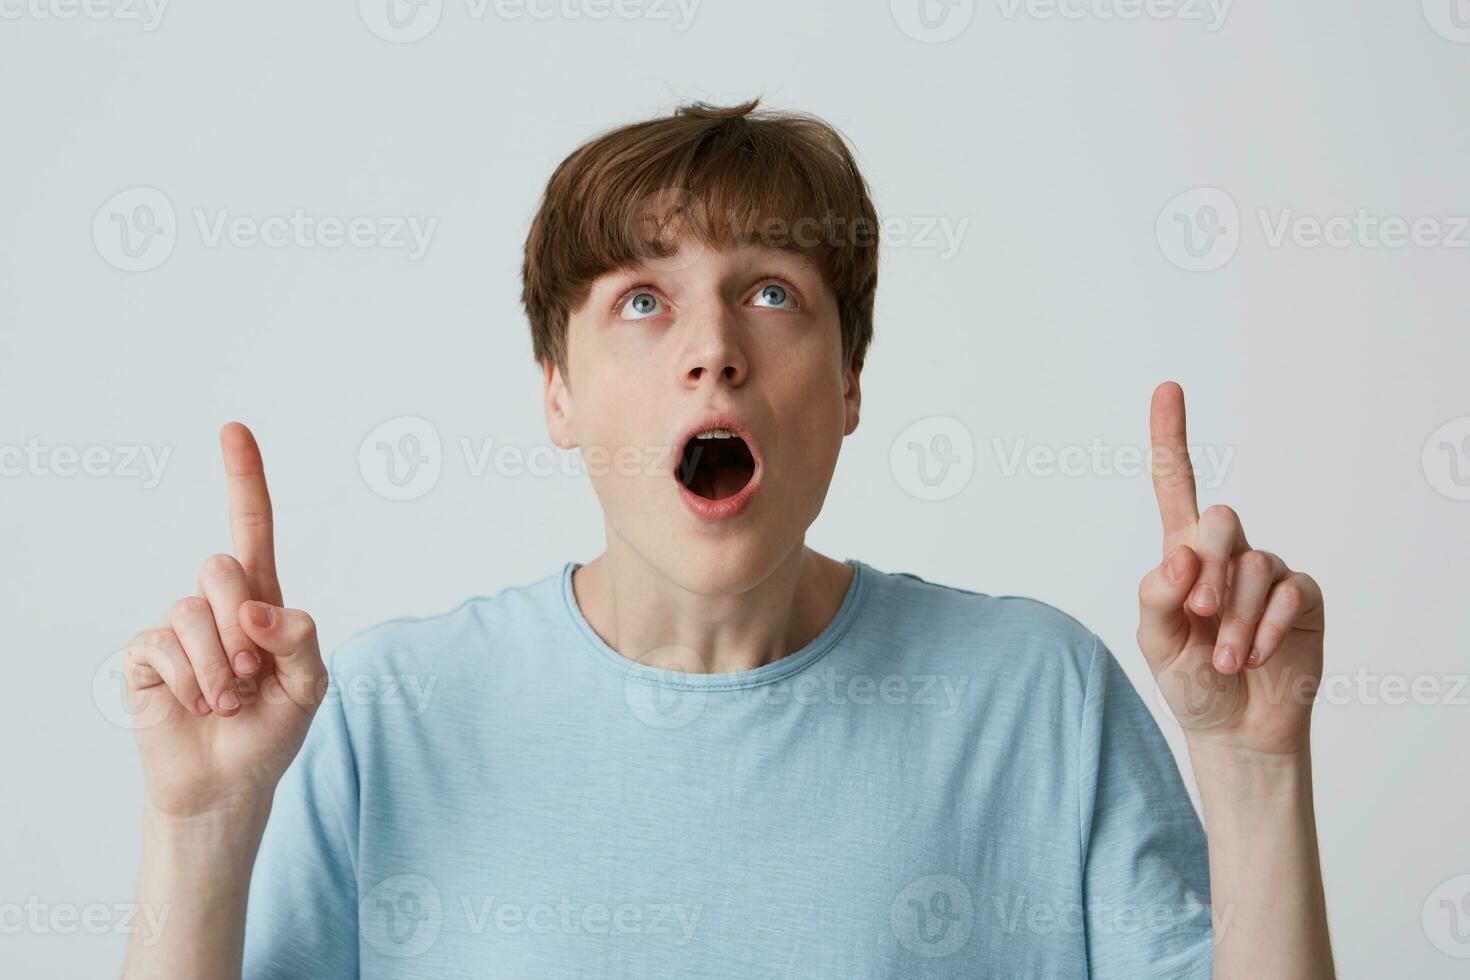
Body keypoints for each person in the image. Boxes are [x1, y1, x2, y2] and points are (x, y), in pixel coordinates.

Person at [120, 99, 1334, 978]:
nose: (714, 347)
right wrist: (197, 829)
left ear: (849, 382)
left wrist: (1256, 759)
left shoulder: (1039, 696)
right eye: (641, 301)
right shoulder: (390, 712)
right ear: (558, 392)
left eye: (772, 290)